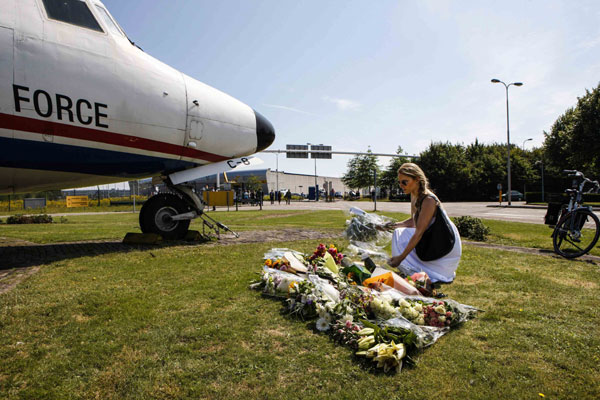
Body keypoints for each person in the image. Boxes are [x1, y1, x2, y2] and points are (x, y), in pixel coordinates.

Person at [387, 163, 461, 283]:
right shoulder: (415, 196)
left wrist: (400, 258)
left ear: (416, 179)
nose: (401, 186)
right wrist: (391, 226)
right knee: (398, 232)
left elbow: (419, 232)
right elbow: (415, 221)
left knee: (402, 235)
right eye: (399, 182)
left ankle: (416, 269)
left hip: (444, 245)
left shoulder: (429, 200)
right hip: (435, 239)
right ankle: (411, 269)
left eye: (404, 182)